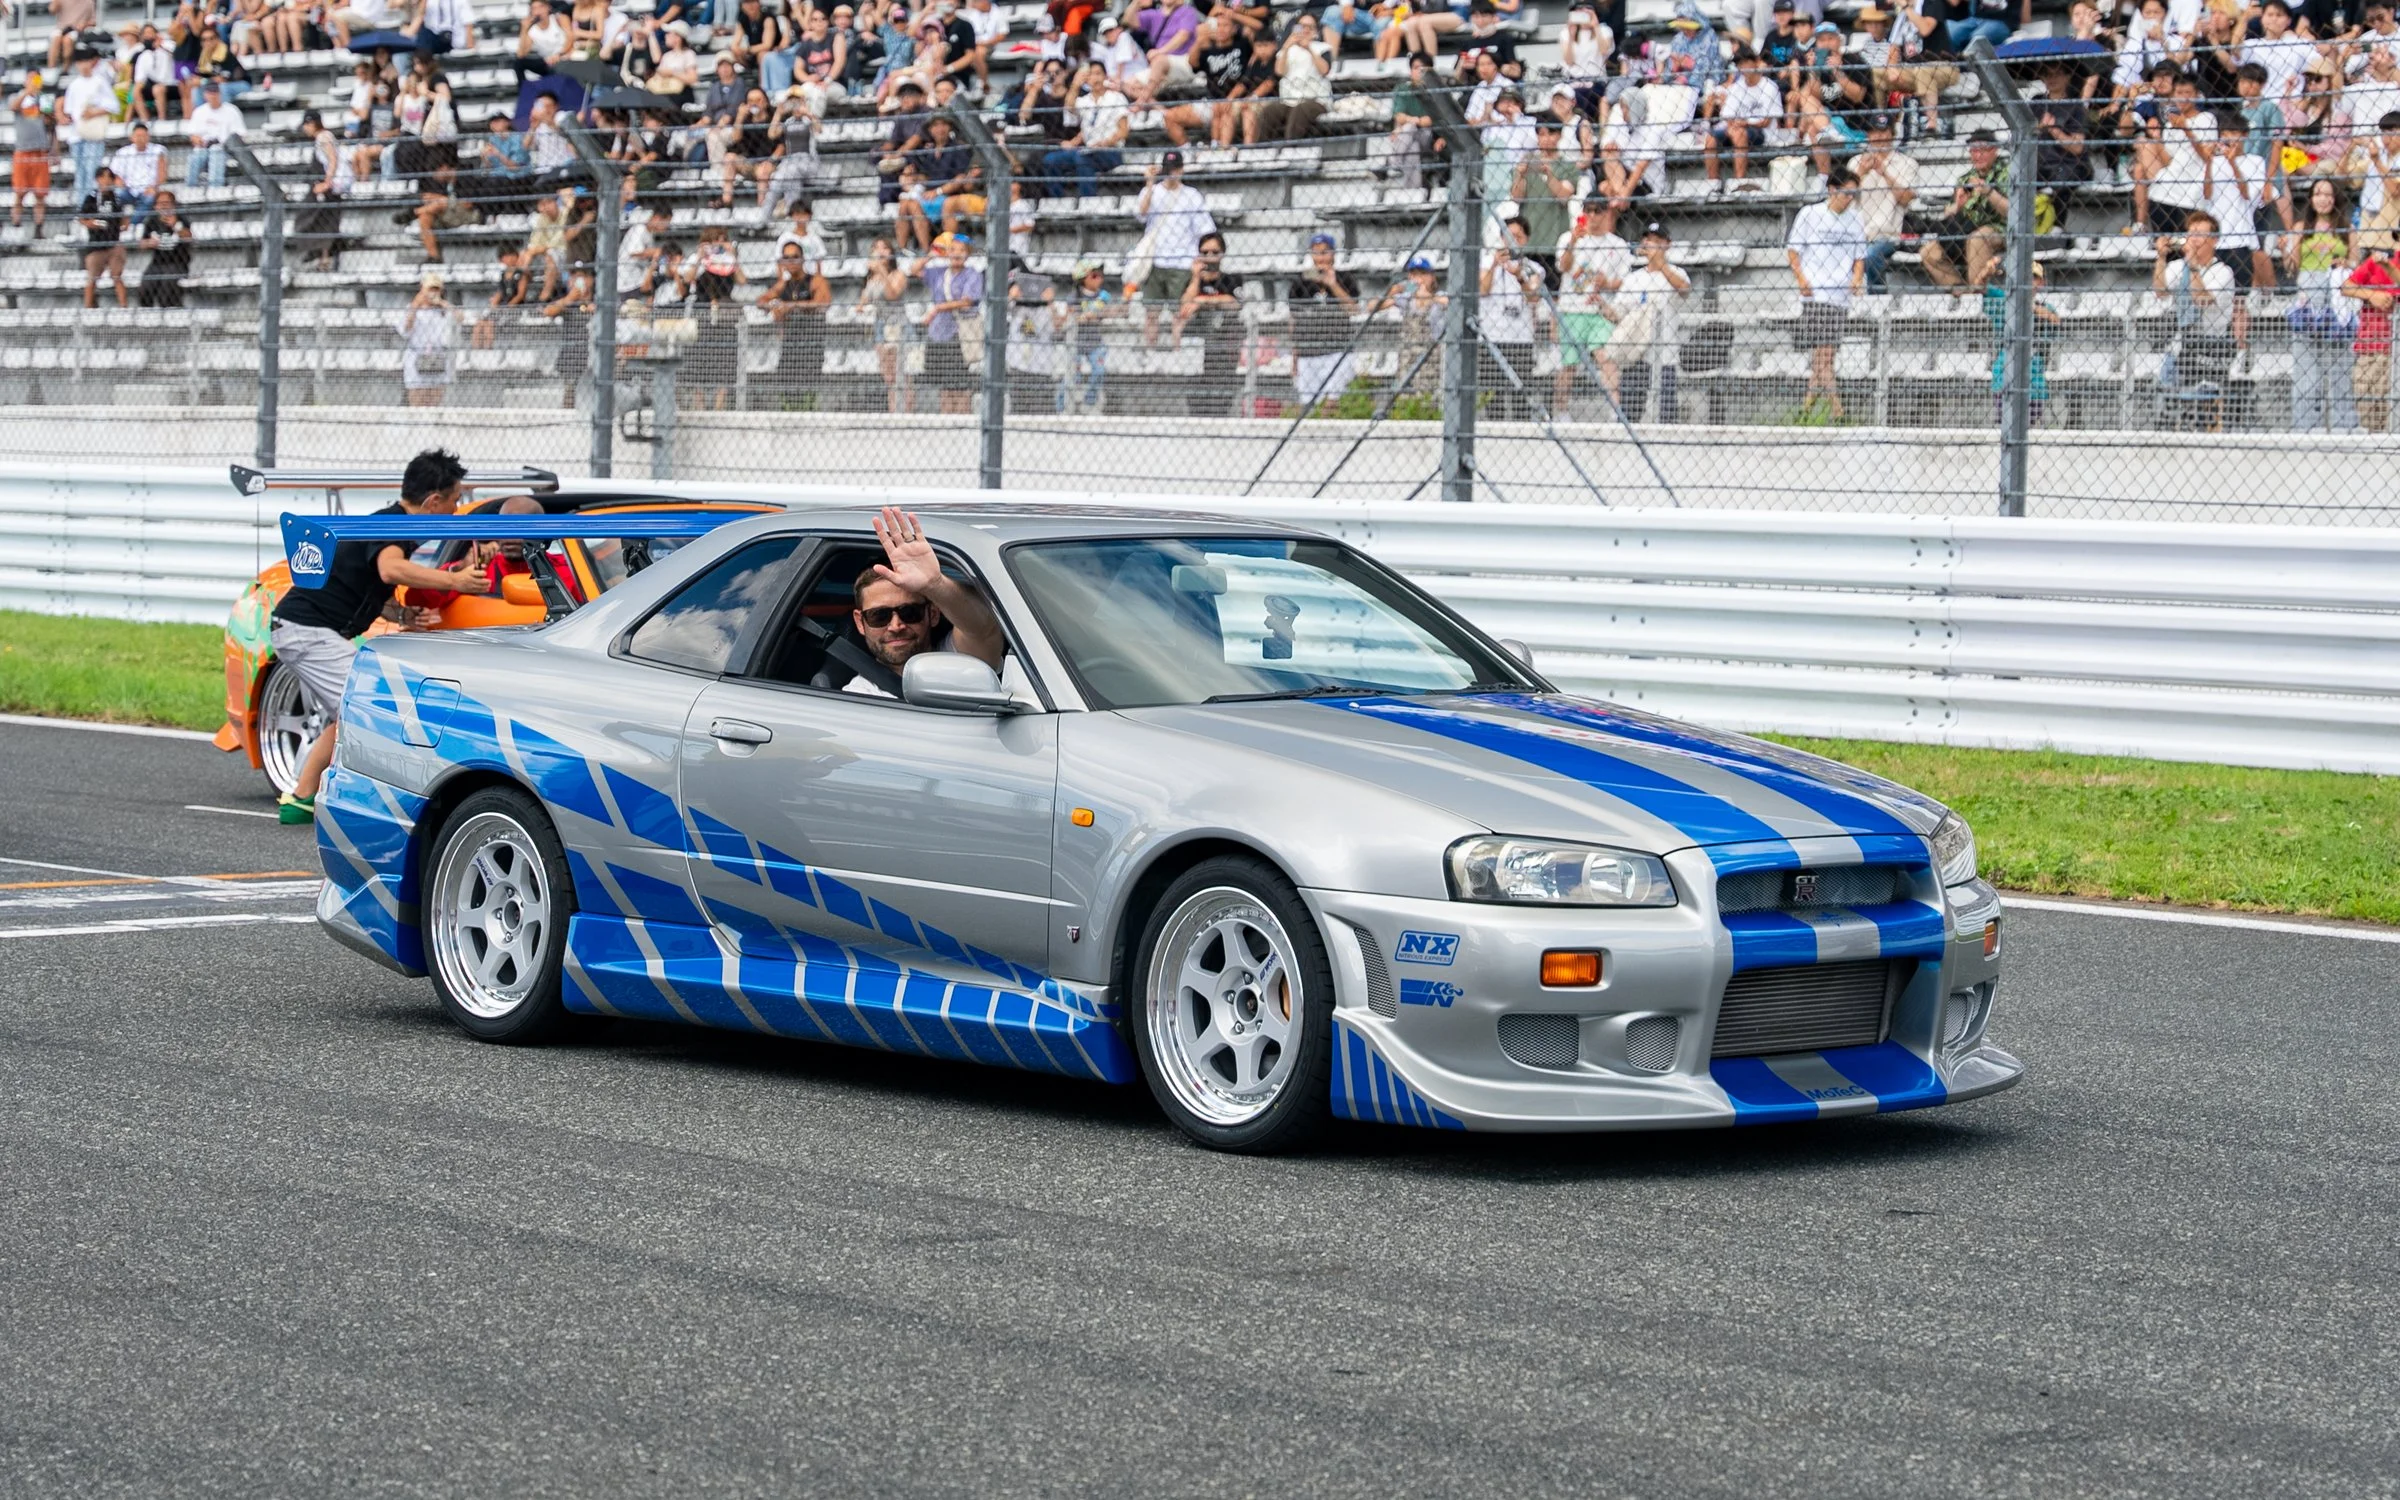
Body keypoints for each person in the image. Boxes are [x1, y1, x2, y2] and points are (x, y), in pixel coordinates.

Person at [272, 450, 493, 823]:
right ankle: (313, 796)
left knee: (347, 710)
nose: (457, 510)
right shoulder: (392, 524)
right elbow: (390, 570)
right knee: (362, 706)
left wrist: (403, 613)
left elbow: (371, 587)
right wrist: (456, 581)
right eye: (455, 500)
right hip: (307, 629)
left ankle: (301, 796)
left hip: (309, 629)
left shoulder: (390, 525)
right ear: (433, 501)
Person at [842, 507, 1006, 697]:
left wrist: (934, 584)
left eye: (909, 612)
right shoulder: (857, 696)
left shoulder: (958, 662)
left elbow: (984, 629)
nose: (896, 626)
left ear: (933, 614)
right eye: (879, 616)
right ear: (860, 622)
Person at [1787, 168, 1865, 421]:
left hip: (1840, 295)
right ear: (1832, 190)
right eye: (1846, 193)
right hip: (1817, 292)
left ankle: (1806, 409)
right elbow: (1793, 251)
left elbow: (1859, 257)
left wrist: (1855, 279)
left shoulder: (1856, 219)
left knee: (1823, 355)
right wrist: (1801, 279)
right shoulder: (1810, 214)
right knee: (1825, 354)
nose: (1849, 198)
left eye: (1853, 194)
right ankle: (1837, 409)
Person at [2155, 209, 2245, 429]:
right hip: (2180, 345)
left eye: (2199, 235)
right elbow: (2160, 290)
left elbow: (2202, 299)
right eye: (2191, 234)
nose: (2193, 240)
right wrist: (2161, 257)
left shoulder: (2223, 272)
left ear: (2213, 240)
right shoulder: (2179, 267)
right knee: (2166, 394)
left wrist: (2194, 265)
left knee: (2201, 409)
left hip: (2209, 349)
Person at [2285, 178, 2356, 432]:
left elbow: (2355, 263)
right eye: (2317, 194)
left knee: (2340, 367)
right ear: (2311, 199)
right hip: (2307, 293)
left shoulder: (2346, 229)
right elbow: (2291, 267)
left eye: (2328, 194)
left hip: (2336, 295)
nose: (2322, 199)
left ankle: (2343, 426)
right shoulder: (2301, 227)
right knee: (2306, 370)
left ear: (2335, 198)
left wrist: (2345, 264)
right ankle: (2305, 427)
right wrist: (2289, 248)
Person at [1134, 149, 1216, 346]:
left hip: (1182, 262)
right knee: (1151, 314)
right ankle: (1150, 352)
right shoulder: (1151, 191)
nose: (1172, 173)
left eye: (1175, 169)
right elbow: (1140, 214)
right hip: (1154, 260)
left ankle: (1177, 355)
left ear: (1181, 170)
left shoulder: (1192, 195)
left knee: (1179, 315)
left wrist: (1200, 258)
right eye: (1168, 169)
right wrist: (1150, 184)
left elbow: (1206, 229)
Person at [1611, 220, 1690, 422]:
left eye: (1657, 241)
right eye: (1648, 240)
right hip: (1638, 353)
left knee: (1666, 412)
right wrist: (1601, 305)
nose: (1650, 244)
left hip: (1666, 354)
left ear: (1667, 244)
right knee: (1630, 411)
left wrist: (1661, 264)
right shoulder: (1633, 278)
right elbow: (1618, 313)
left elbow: (1683, 289)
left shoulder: (1677, 272)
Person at [1921, 129, 2008, 291]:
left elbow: (2012, 212)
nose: (1977, 155)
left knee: (1977, 239)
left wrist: (1989, 192)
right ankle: (1961, 291)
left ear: (1995, 150)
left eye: (1982, 150)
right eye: (1973, 150)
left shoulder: (2007, 173)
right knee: (1928, 252)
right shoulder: (1965, 179)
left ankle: (1977, 293)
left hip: (2000, 228)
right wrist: (1958, 206)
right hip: (1966, 228)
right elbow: (1948, 212)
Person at [1288, 231, 1359, 405]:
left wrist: (1332, 284)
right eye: (1316, 252)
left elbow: (1353, 309)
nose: (1321, 257)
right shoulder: (1300, 282)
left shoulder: (1345, 279)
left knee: (1334, 402)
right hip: (1308, 351)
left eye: (1325, 251)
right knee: (1308, 404)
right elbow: (1294, 320)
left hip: (1337, 349)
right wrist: (1295, 357)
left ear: (1333, 254)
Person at [919, 231, 983, 415]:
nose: (956, 253)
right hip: (939, 333)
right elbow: (915, 270)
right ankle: (946, 418)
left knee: (960, 385)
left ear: (967, 254)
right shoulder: (939, 273)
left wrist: (939, 308)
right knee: (944, 385)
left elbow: (967, 301)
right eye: (953, 249)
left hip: (958, 333)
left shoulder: (972, 274)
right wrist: (932, 254)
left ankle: (962, 420)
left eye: (961, 250)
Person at [1848, 114, 1914, 292]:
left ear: (1892, 134)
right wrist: (1861, 172)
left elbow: (1906, 198)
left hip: (1888, 234)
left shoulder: (1907, 163)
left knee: (1870, 256)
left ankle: (1877, 300)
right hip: (1856, 233)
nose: (1878, 137)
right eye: (1873, 132)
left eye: (1883, 132)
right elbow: (1844, 199)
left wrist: (1884, 172)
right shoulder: (1855, 162)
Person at [2344, 232, 2400, 431]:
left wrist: (2388, 267)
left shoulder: (2386, 263)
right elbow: (2347, 287)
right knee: (2366, 401)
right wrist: (2371, 295)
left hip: (2395, 349)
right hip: (2371, 343)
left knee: (2391, 409)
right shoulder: (2376, 261)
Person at [398, 271, 459, 406]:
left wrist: (443, 303)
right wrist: (416, 305)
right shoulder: (412, 309)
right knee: (417, 401)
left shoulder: (443, 311)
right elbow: (405, 329)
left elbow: (460, 318)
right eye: (430, 289)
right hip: (417, 358)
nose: (433, 293)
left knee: (434, 402)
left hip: (438, 359)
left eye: (436, 289)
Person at [79, 165, 129, 310]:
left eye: (109, 177)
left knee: (117, 276)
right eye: (103, 177)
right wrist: (92, 223)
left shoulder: (116, 198)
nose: (106, 180)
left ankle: (123, 306)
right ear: (97, 179)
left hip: (114, 243)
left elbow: (124, 217)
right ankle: (88, 306)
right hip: (96, 244)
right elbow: (82, 218)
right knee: (92, 278)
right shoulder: (91, 197)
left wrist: (124, 224)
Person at [134, 189, 194, 308]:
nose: (164, 206)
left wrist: (175, 225)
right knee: (145, 288)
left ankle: (171, 312)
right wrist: (149, 243)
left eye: (167, 203)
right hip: (157, 263)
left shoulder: (180, 219)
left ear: (173, 205)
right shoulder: (152, 221)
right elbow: (141, 244)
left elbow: (189, 238)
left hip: (177, 263)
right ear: (156, 206)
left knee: (166, 289)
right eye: (160, 203)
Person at [11, 76, 52, 234]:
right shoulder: (17, 97)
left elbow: (50, 122)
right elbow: (14, 107)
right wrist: (26, 93)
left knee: (40, 194)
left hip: (40, 152)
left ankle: (39, 227)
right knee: (19, 192)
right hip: (23, 151)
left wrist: (42, 105)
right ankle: (16, 223)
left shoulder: (44, 98)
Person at [186, 82, 246, 190]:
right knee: (194, 158)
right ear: (205, 95)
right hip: (203, 147)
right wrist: (199, 141)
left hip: (225, 148)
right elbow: (193, 136)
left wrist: (224, 143)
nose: (213, 95)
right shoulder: (199, 111)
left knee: (216, 151)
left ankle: (215, 189)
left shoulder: (232, 110)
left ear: (220, 94)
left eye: (215, 92)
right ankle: (191, 188)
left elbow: (239, 135)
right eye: (210, 92)